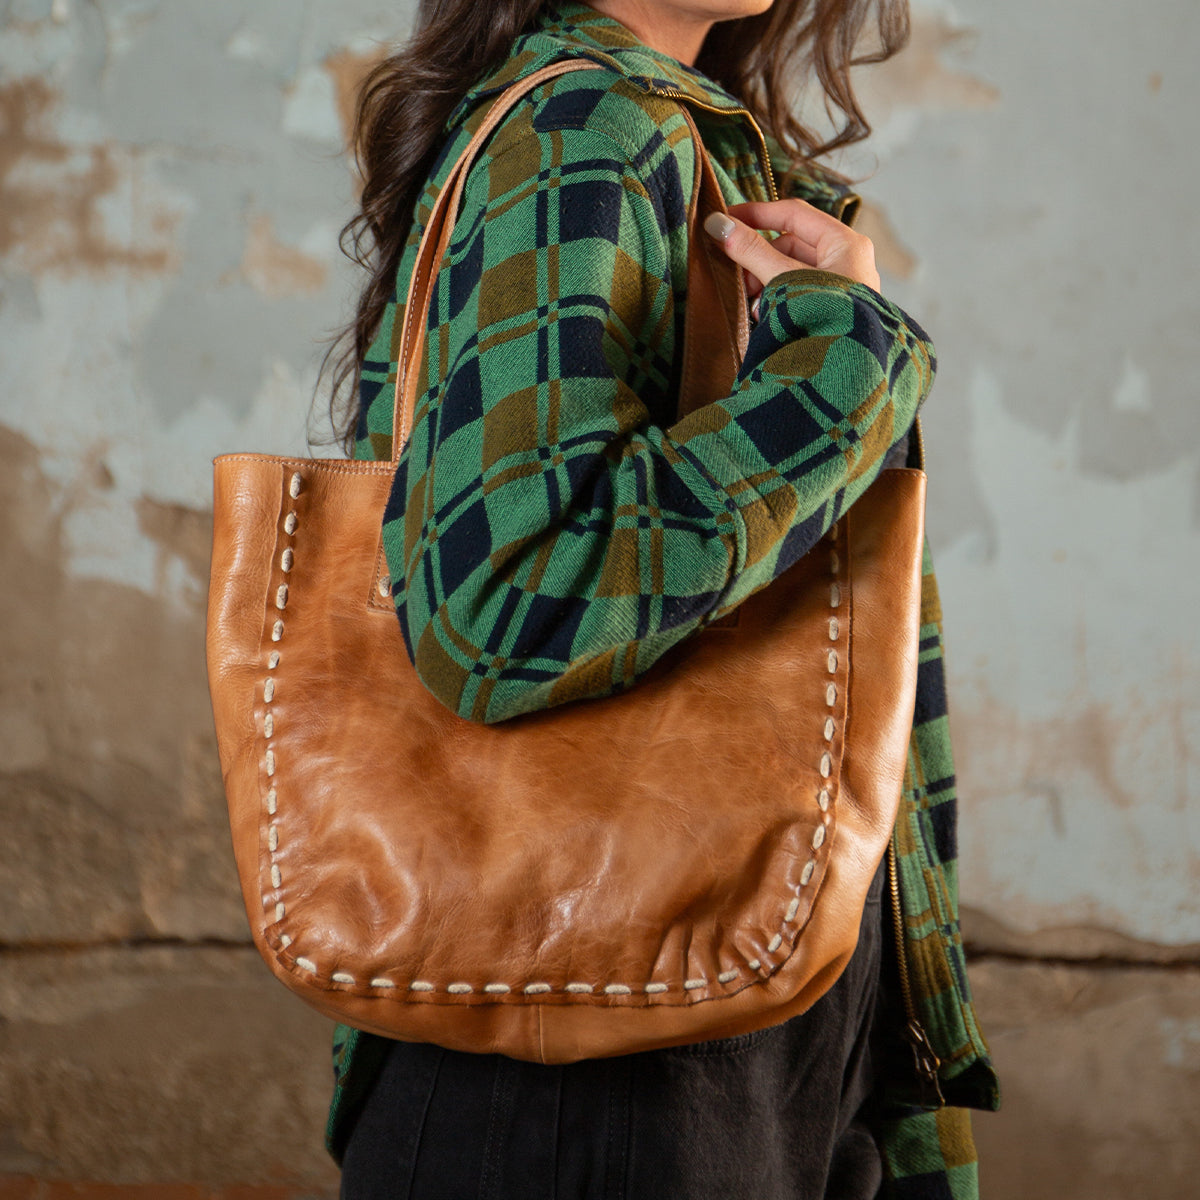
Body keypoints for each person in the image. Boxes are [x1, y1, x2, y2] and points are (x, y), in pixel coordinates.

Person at [323, 2, 999, 1195]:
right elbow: (506, 605)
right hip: (602, 1057)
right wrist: (852, 360)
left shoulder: (688, 143)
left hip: (698, 1002)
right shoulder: (588, 125)